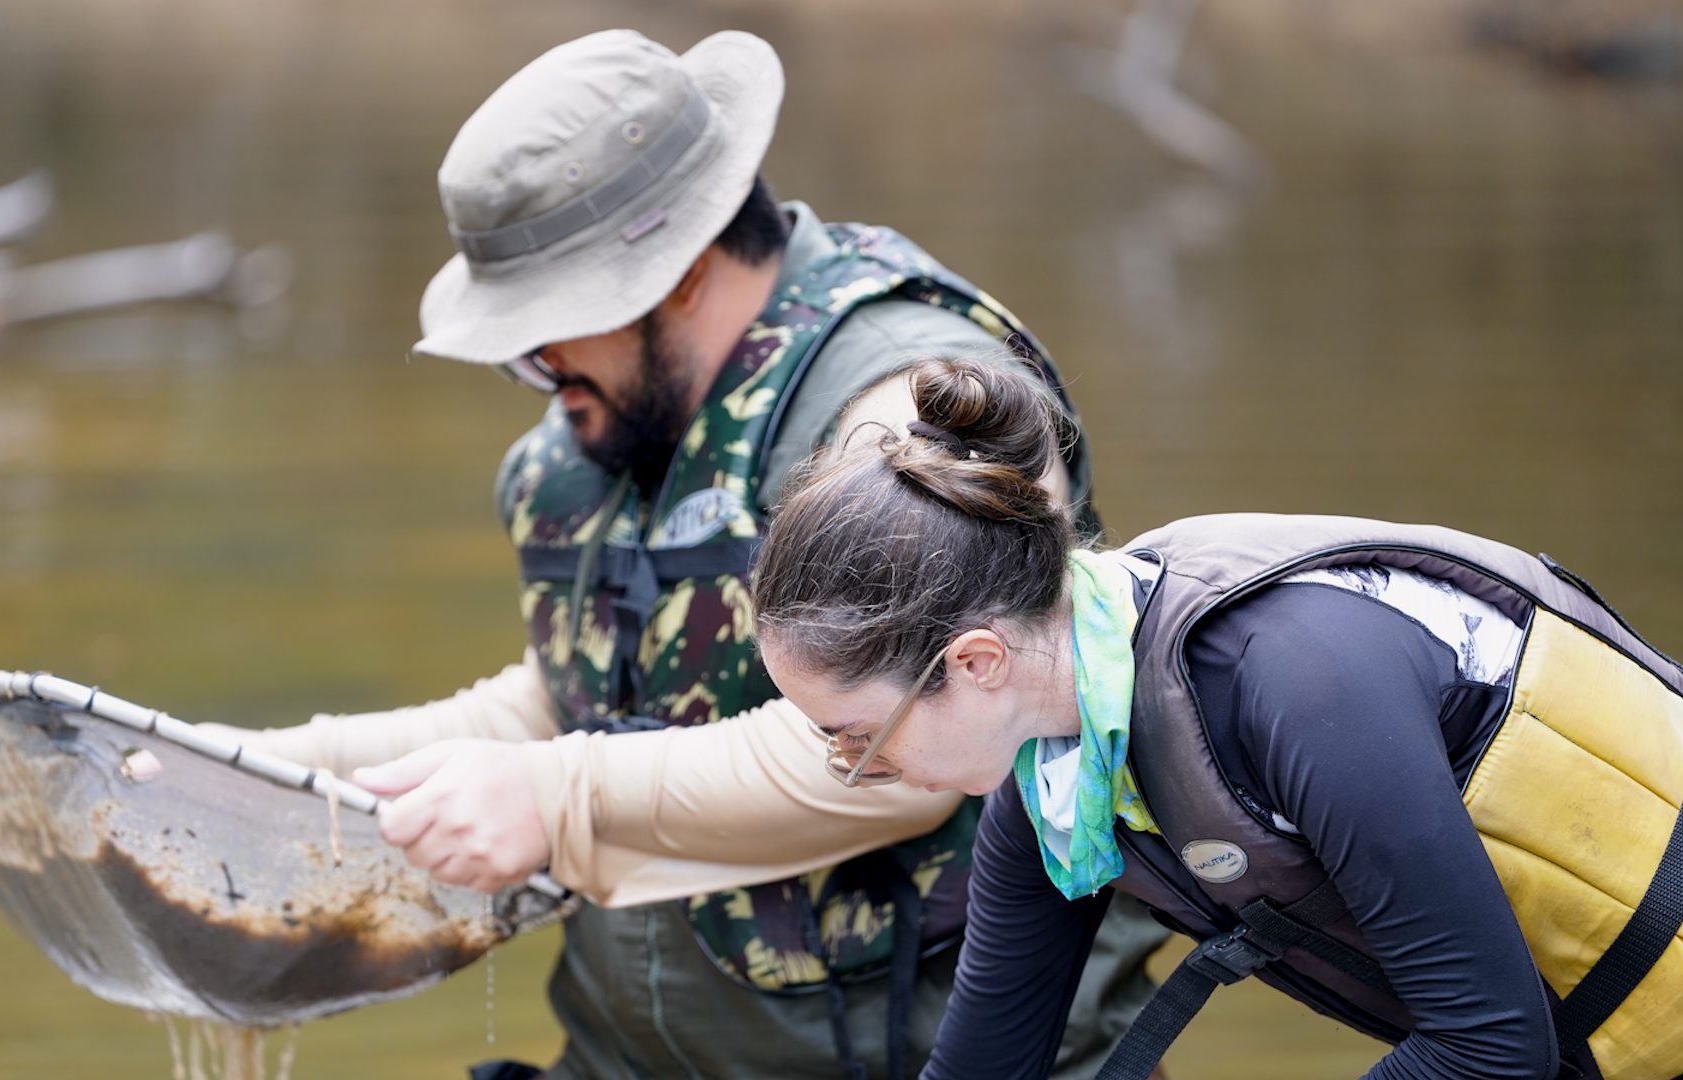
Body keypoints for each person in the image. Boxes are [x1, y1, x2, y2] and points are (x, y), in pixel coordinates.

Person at [214, 27, 1170, 1080]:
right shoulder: (610, 423)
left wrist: (555, 800)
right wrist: (260, 766)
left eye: (545, 330)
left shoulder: (917, 406)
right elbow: (569, 702)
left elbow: (901, 749)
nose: (533, 368)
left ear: (672, 275)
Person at [746, 352, 1683, 1079]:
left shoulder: (1296, 681)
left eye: (859, 735)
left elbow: (1489, 1047)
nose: (858, 765)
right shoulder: (1061, 789)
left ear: (975, 662)